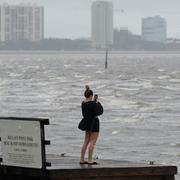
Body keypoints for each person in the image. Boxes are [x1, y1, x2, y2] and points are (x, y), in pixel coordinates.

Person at [79, 85, 103, 165]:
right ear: (91, 95)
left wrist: (94, 102)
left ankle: (82, 159)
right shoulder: (93, 104)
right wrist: (97, 102)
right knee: (92, 142)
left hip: (86, 122)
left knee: (86, 141)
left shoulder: (83, 103)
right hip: (94, 122)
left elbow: (86, 112)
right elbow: (100, 111)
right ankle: (90, 160)